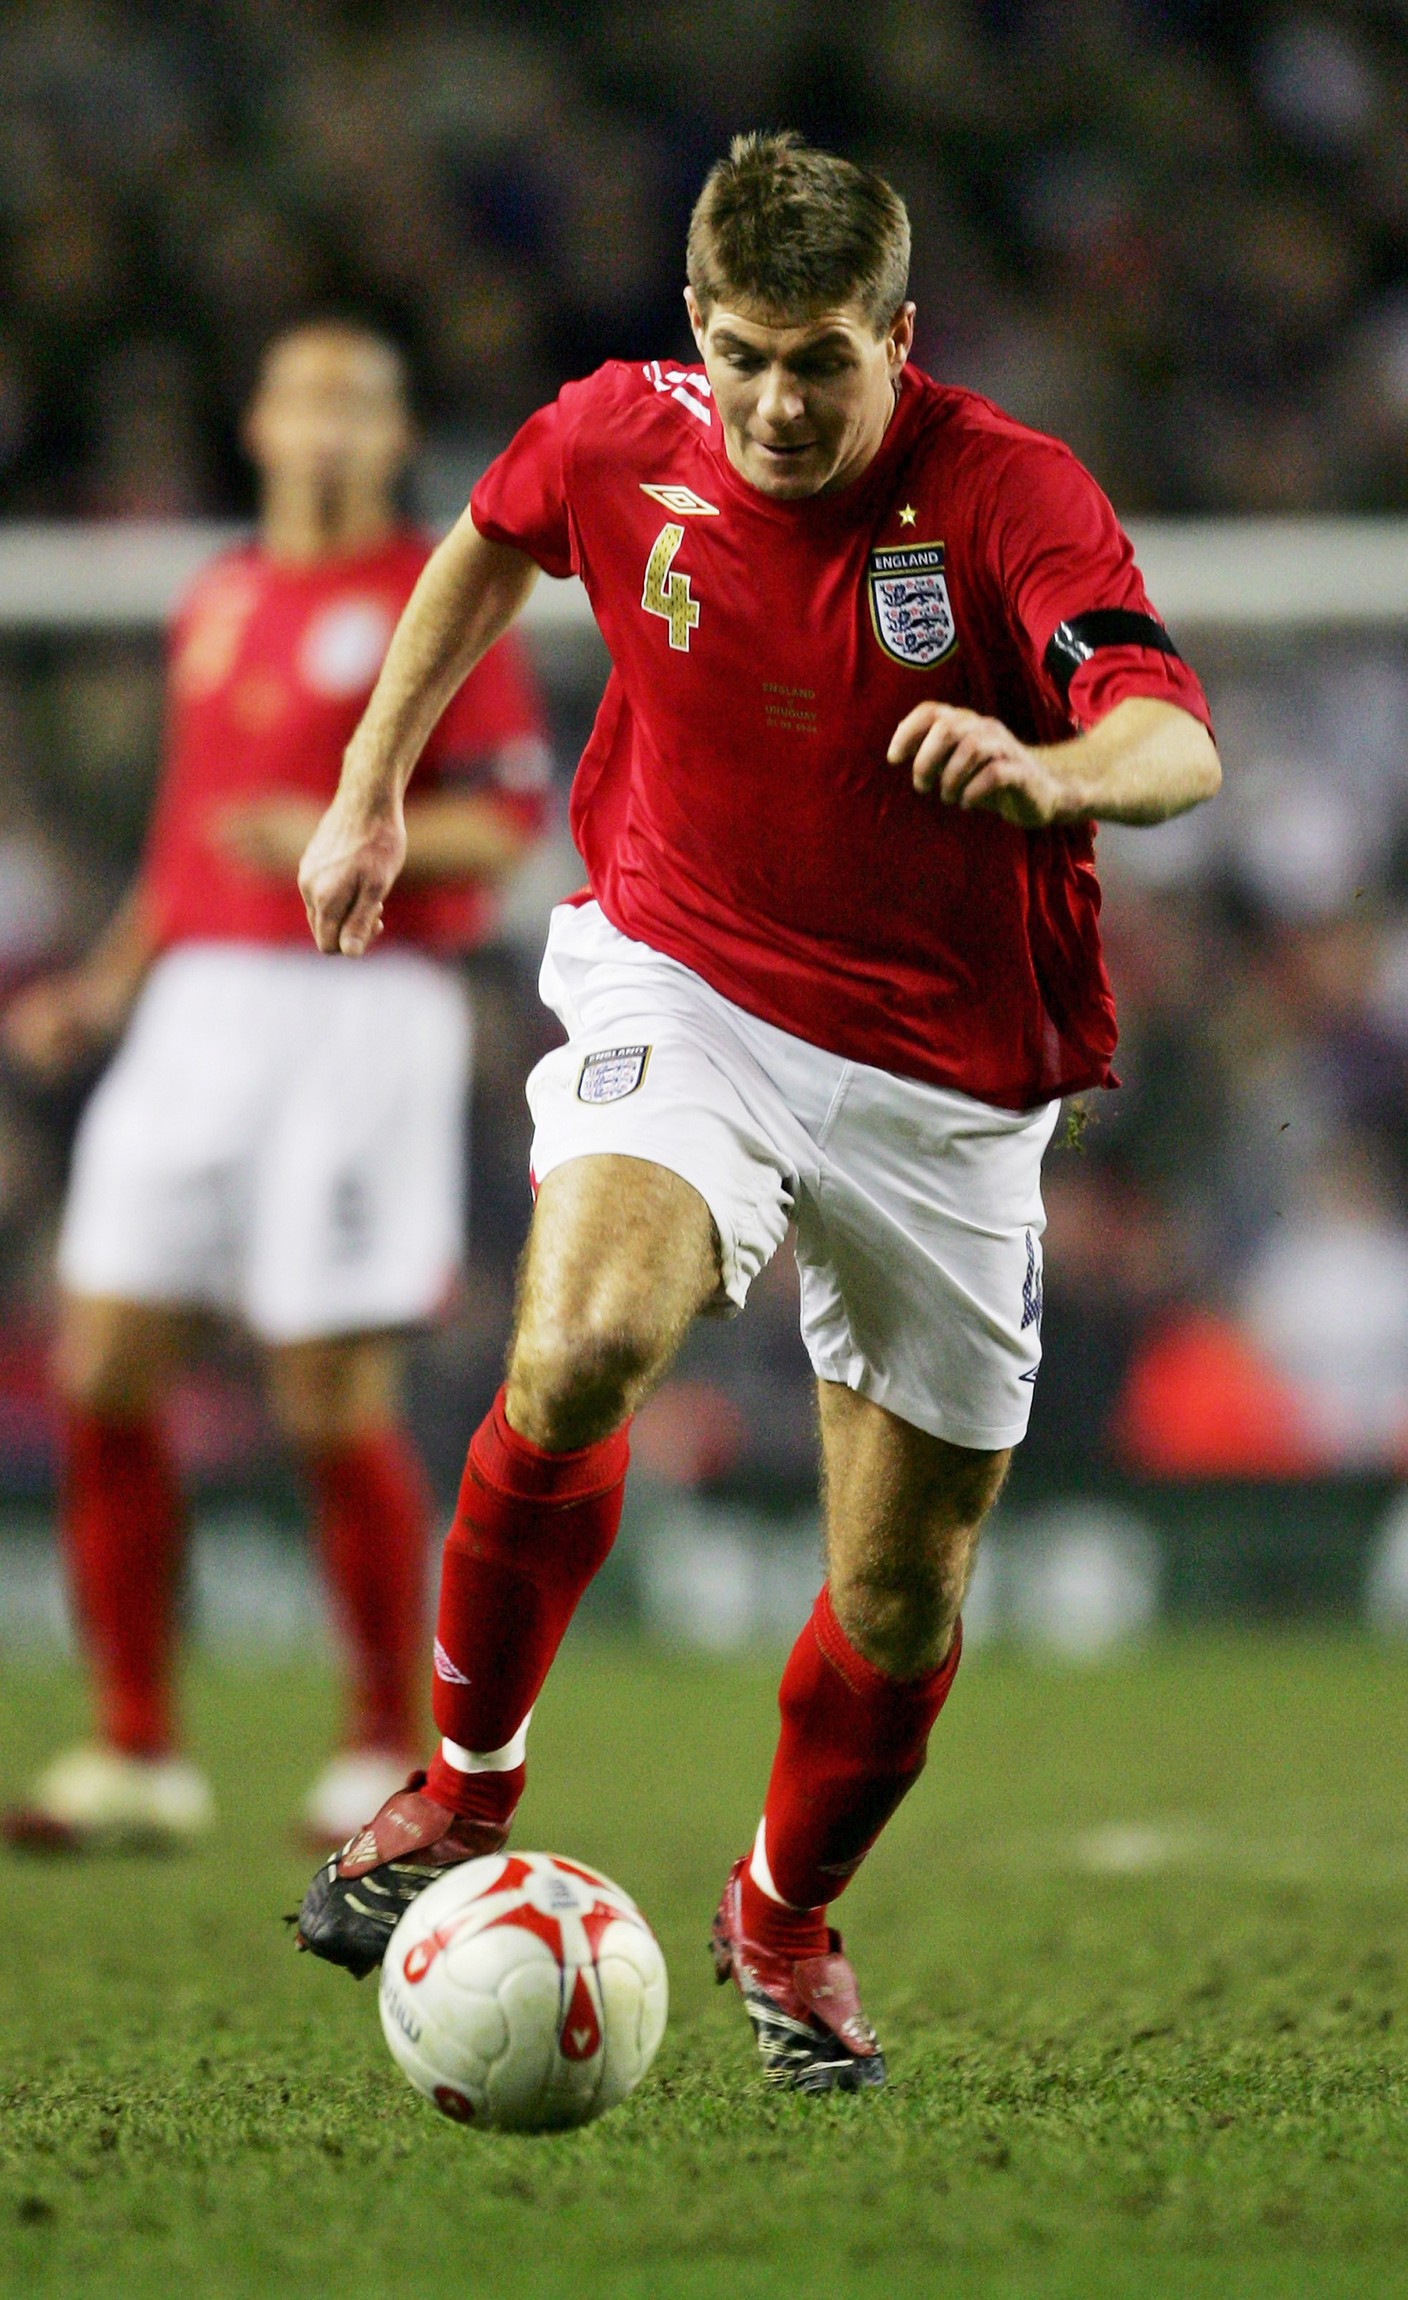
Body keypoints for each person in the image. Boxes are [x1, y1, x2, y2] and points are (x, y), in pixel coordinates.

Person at [292, 137, 1220, 2093]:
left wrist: (1059, 774)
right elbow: (489, 536)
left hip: (950, 1078)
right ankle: (462, 1789)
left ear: (899, 336)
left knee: (899, 1591)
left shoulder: (1004, 493)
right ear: (694, 331)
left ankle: (782, 1912)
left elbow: (1170, 734)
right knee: (579, 1347)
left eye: (822, 363)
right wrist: (372, 783)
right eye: (744, 358)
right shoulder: (615, 434)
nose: (780, 406)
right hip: (685, 976)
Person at [2, 322, 550, 1853]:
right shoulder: (222, 596)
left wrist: (336, 822)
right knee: (103, 1359)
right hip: (198, 1003)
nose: (325, 427)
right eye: (301, 398)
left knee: (324, 1385)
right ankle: (136, 1748)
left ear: (394, 439)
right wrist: (106, 987)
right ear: (256, 424)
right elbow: (189, 833)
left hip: (362, 1000)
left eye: (356, 404)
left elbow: (504, 829)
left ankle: (380, 1742)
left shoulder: (438, 595)